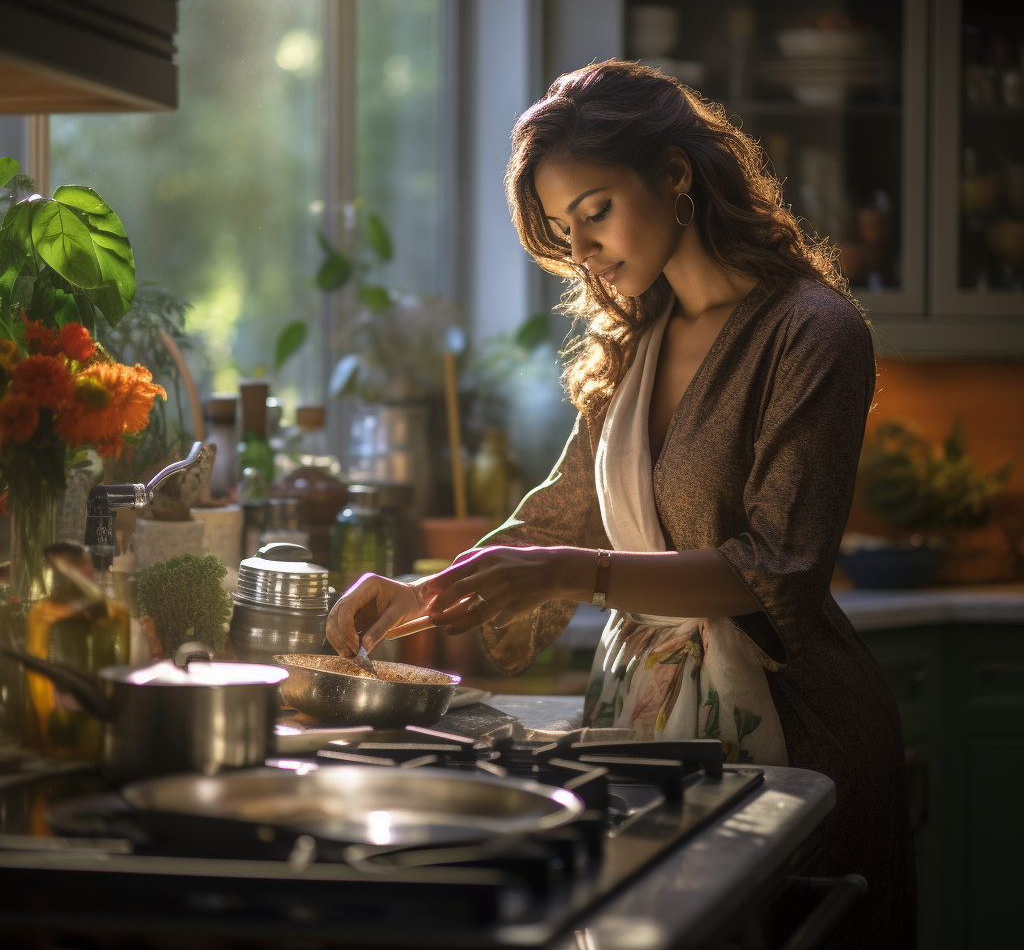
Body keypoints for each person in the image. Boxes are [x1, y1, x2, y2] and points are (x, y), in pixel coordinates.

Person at [326, 60, 915, 947]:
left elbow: (776, 570)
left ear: (676, 174)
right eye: (566, 229)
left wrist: (573, 572)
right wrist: (424, 592)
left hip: (800, 738)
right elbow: (562, 514)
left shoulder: (812, 331)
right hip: (648, 733)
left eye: (594, 211)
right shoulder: (635, 339)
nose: (583, 249)